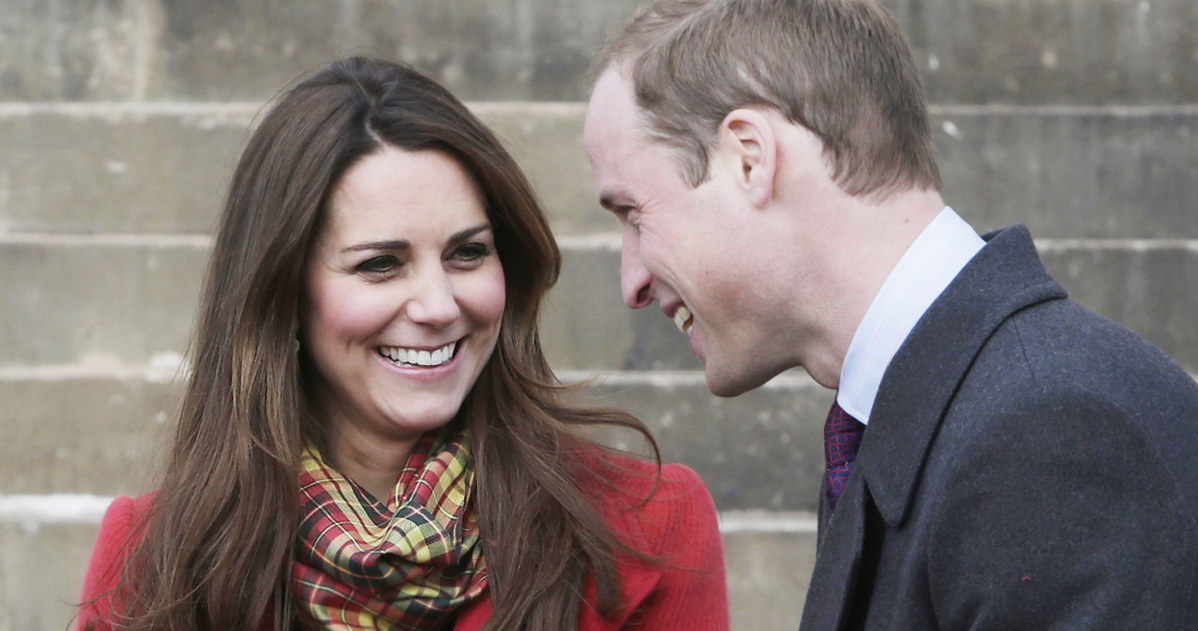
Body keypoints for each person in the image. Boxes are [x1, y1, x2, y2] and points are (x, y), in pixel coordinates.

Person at [583, 0, 1198, 629]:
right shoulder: (947, 414)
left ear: (749, 157)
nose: (631, 281)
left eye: (632, 213)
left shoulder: (1050, 431)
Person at [77, 56, 728, 631]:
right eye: (380, 263)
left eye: (468, 253)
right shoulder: (155, 557)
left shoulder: (651, 524)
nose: (439, 306)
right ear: (286, 295)